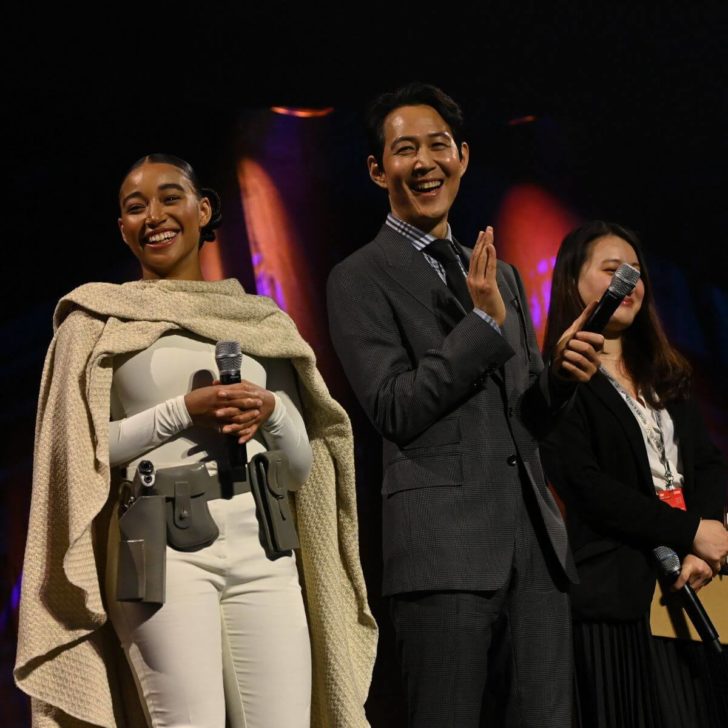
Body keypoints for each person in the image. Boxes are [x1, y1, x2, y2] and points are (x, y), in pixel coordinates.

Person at [14, 153, 377, 728]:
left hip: (265, 545)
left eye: (169, 197)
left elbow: (305, 470)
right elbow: (77, 456)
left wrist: (274, 411)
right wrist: (183, 411)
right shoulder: (97, 320)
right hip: (159, 546)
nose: (153, 215)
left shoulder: (259, 320)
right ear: (123, 229)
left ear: (203, 209)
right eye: (136, 207)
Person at [326, 82, 604, 727]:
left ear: (464, 156)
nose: (425, 162)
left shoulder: (498, 272)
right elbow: (393, 407)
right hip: (442, 556)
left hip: (534, 548)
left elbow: (526, 416)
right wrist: (480, 325)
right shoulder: (358, 276)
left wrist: (559, 377)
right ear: (377, 169)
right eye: (404, 151)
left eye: (438, 146)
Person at [540, 219, 728, 727]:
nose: (630, 282)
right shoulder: (560, 382)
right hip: (616, 598)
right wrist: (689, 531)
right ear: (574, 282)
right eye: (612, 270)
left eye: (636, 272)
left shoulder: (665, 371)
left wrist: (706, 540)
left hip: (693, 583)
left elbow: (707, 463)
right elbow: (586, 486)